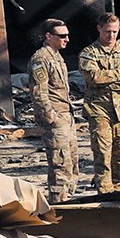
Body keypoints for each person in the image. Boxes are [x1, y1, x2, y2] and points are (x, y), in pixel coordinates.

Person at [78, 12, 120, 193]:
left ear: (119, 29)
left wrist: (108, 78)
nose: (111, 35)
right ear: (99, 29)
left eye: (114, 31)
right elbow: (93, 78)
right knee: (102, 152)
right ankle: (105, 191)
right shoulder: (88, 53)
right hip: (98, 109)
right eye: (107, 31)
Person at [28, 19, 79, 202]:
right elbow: (39, 94)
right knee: (60, 165)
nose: (67, 39)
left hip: (66, 116)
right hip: (57, 119)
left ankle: (68, 199)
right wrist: (52, 118)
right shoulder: (41, 59)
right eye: (62, 36)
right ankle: (59, 203)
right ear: (48, 37)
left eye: (67, 35)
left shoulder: (56, 56)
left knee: (71, 163)